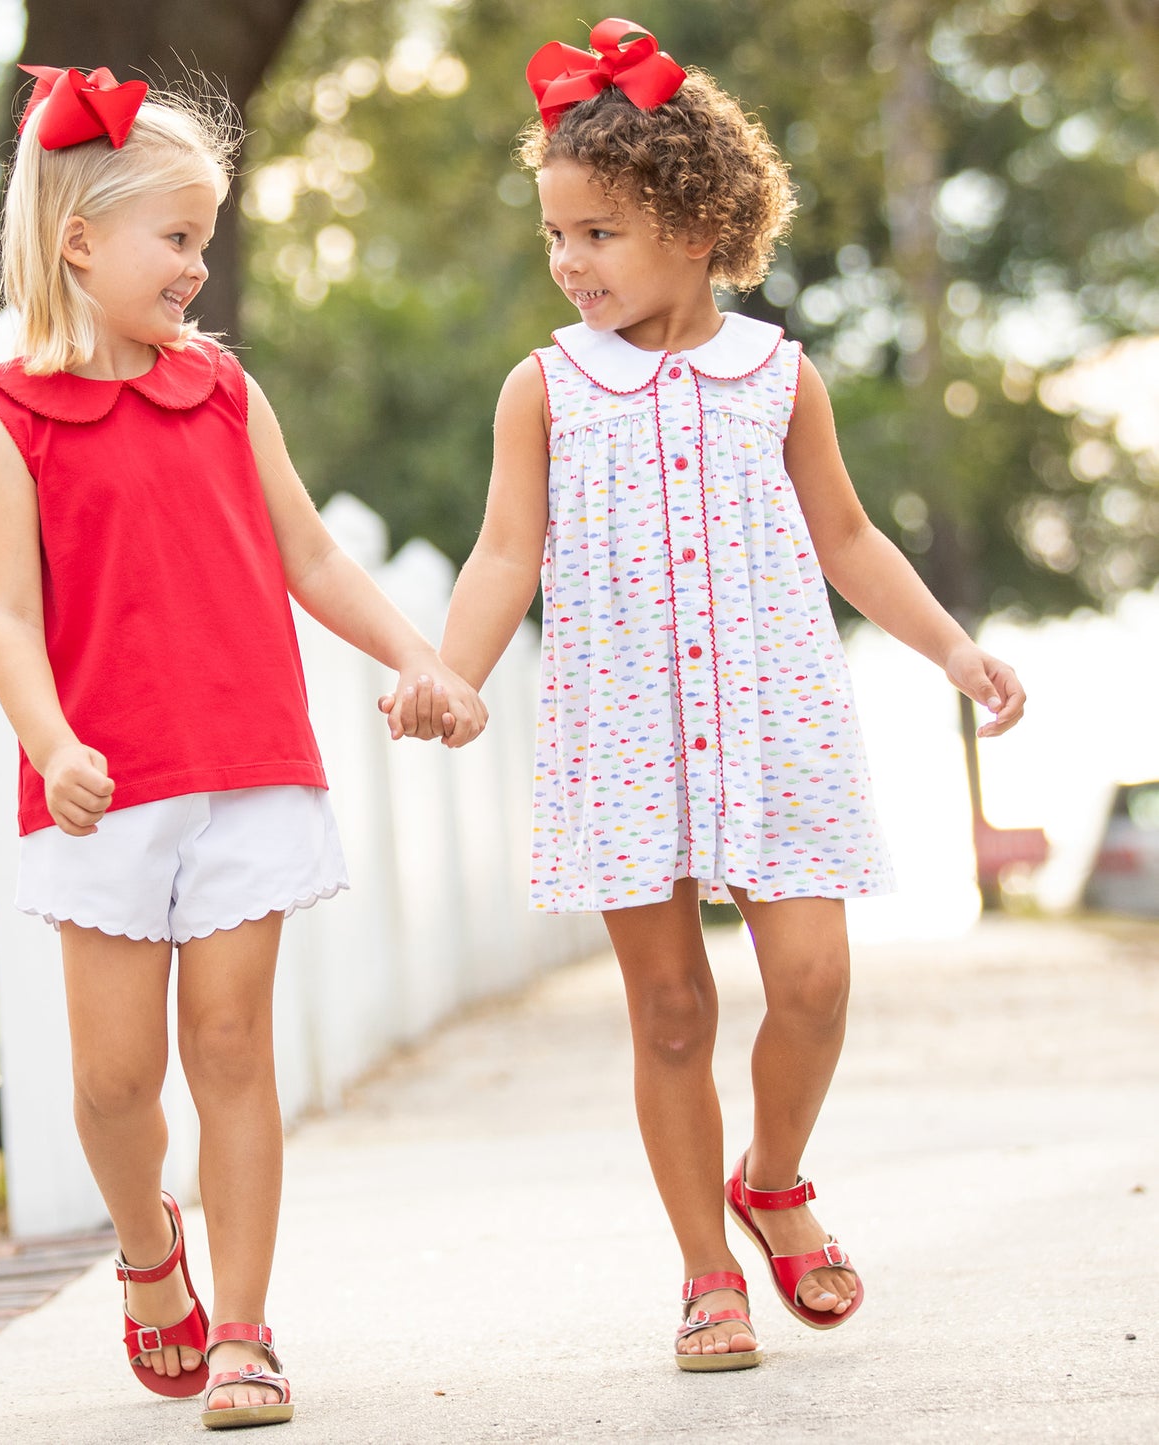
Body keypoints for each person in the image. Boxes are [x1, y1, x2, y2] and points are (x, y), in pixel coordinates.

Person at [388, 20, 1026, 1371]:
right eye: (555, 234)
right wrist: (450, 670)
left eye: (597, 234)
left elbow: (848, 537)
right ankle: (703, 1270)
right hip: (619, 732)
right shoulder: (543, 391)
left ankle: (774, 1175)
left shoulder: (777, 375)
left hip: (777, 718)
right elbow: (506, 552)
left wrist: (953, 652)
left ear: (695, 224)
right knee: (670, 1007)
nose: (568, 263)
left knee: (810, 981)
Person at [0, 65, 485, 1430]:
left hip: (249, 762)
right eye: (178, 238)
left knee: (231, 1046)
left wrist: (420, 655)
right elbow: (7, 618)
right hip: (100, 791)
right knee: (114, 1079)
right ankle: (149, 1252)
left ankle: (247, 1328)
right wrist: (51, 739)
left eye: (206, 238)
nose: (200, 266)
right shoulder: (9, 420)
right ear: (80, 239)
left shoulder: (221, 389)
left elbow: (309, 551)